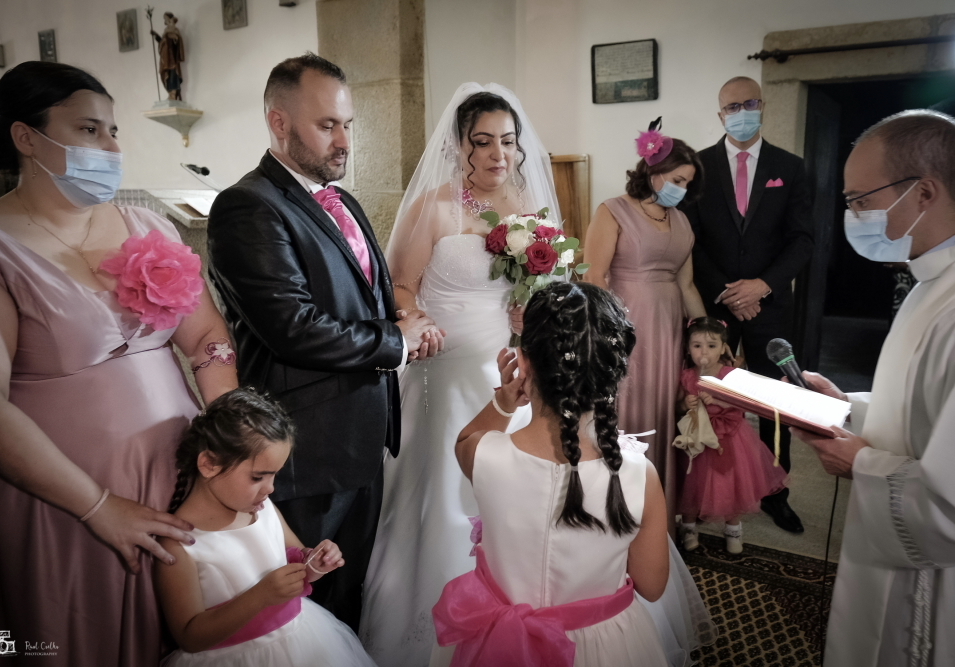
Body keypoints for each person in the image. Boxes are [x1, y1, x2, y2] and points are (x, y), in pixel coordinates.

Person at [0, 61, 237, 667]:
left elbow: (207, 338)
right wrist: (97, 506)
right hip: (61, 494)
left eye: (113, 131)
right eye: (89, 130)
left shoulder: (146, 226)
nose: (112, 148)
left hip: (178, 474)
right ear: (26, 137)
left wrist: (230, 439)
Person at [207, 53, 442, 632]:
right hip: (306, 447)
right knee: (307, 604)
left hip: (360, 435)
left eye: (348, 125)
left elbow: (359, 295)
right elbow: (292, 326)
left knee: (349, 591)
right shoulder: (247, 206)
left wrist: (402, 316)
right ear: (279, 122)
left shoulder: (342, 200)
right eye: (327, 125)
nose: (343, 142)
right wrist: (395, 340)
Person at [358, 83, 559, 667]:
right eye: (484, 141)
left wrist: (529, 309)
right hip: (443, 369)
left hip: (509, 365)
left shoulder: (531, 209)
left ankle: (514, 600)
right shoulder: (436, 207)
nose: (499, 154)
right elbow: (398, 286)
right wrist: (416, 320)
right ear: (459, 145)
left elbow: (539, 289)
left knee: (511, 483)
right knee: (446, 484)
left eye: (509, 141)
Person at [431, 282, 673, 667]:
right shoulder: (639, 476)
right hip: (607, 647)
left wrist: (503, 402)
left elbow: (465, 439)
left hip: (498, 643)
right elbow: (653, 585)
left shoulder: (483, 454)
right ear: (612, 374)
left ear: (524, 364)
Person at [792, 110, 955, 667]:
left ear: (924, 193)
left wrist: (860, 462)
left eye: (861, 199)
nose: (853, 216)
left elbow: (948, 505)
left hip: (933, 587)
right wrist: (850, 410)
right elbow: (922, 414)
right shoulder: (931, 281)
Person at [155, 388, 375, 667]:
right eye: (258, 477)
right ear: (209, 464)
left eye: (274, 476)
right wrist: (261, 596)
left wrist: (316, 564)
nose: (270, 488)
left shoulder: (263, 508)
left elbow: (298, 563)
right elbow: (190, 637)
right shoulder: (179, 545)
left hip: (301, 640)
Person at [680, 76, 813, 534]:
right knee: (705, 396)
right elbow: (690, 239)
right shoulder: (697, 166)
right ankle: (703, 490)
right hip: (714, 304)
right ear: (720, 115)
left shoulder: (789, 167)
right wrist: (729, 292)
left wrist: (762, 286)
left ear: (762, 105)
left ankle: (776, 492)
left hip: (769, 306)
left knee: (775, 402)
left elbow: (802, 239)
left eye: (749, 103)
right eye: (732, 107)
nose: (742, 113)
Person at [583, 119, 706, 529]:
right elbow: (594, 276)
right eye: (677, 179)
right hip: (624, 325)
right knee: (625, 405)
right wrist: (608, 333)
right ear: (653, 171)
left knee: (663, 408)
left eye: (687, 183)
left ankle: (657, 518)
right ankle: (617, 513)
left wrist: (707, 333)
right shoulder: (613, 210)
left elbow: (686, 285)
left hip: (669, 330)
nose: (682, 189)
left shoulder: (682, 221)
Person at [676, 317, 787, 554]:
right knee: (692, 484)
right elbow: (678, 406)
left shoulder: (731, 374)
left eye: (711, 346)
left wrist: (719, 401)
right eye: (697, 346)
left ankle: (733, 529)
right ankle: (688, 527)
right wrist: (686, 404)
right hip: (698, 439)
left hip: (731, 438)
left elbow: (745, 404)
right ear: (688, 348)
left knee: (732, 485)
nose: (703, 352)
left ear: (723, 348)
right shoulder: (687, 376)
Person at [151, 12, 185, 101]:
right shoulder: (166, 31)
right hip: (166, 59)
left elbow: (177, 41)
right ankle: (170, 93)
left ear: (170, 20)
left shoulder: (175, 30)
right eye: (165, 19)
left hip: (172, 58)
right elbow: (163, 42)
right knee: (167, 75)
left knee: (173, 74)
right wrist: (156, 36)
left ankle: (173, 94)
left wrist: (173, 38)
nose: (165, 21)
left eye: (166, 19)